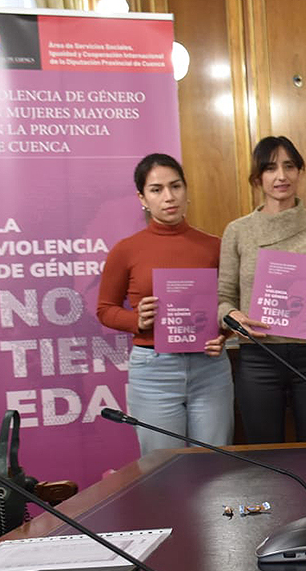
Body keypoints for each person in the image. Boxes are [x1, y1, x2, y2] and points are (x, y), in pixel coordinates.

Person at [218, 136, 306, 443]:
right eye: (270, 168)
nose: (281, 176)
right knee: (265, 454)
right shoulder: (237, 231)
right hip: (259, 356)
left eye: (289, 166)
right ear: (257, 177)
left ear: (300, 172)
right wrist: (233, 315)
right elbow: (223, 299)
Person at [97, 153, 233, 455]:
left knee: (217, 465)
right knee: (162, 470)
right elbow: (104, 309)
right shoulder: (126, 250)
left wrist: (224, 337)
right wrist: (137, 321)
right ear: (142, 198)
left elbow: (231, 305)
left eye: (176, 186)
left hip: (210, 369)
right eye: (156, 190)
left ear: (187, 190)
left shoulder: (214, 246)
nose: (168, 197)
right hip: (154, 370)